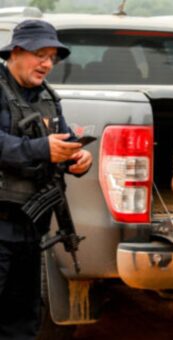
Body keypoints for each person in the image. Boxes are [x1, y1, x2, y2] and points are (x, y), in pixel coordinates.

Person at [0, 20, 92, 339]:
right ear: (16, 52)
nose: (47, 64)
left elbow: (61, 143)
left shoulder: (48, 98)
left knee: (23, 321)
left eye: (52, 57)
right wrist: (40, 148)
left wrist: (77, 160)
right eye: (40, 54)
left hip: (30, 229)